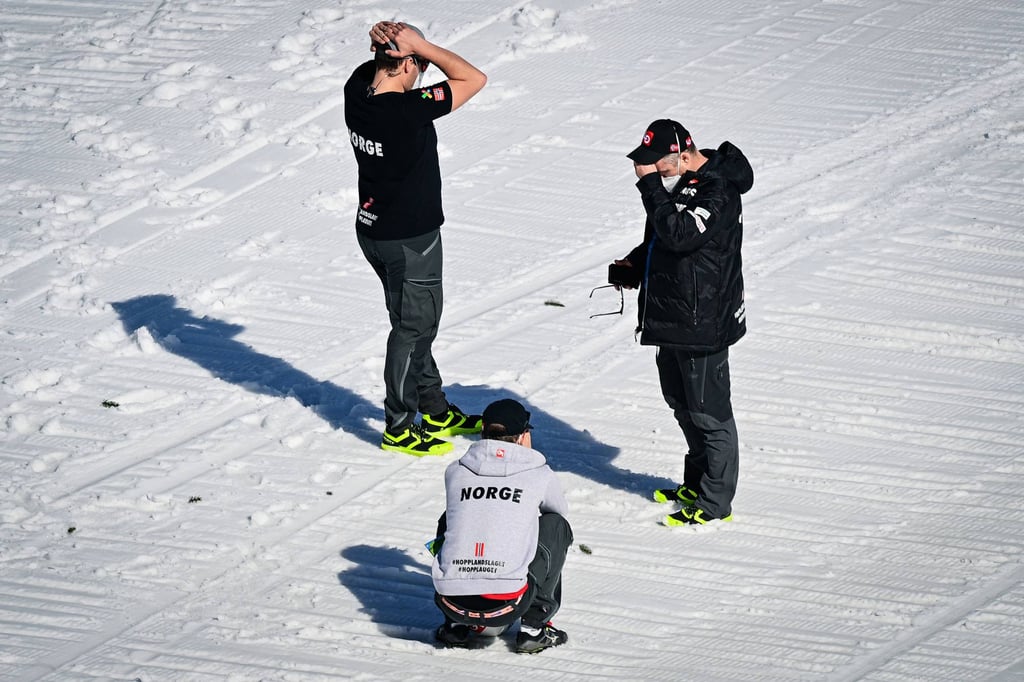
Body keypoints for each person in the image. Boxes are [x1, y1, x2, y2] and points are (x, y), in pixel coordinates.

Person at [343, 21, 488, 456]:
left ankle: (435, 409)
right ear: (406, 60)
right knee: (414, 328)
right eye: (420, 65)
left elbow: (378, 69)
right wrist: (422, 45)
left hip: (374, 230)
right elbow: (474, 79)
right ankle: (400, 425)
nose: (423, 73)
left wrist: (397, 49)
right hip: (410, 240)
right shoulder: (407, 110)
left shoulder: (357, 89)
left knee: (411, 324)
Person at [613, 119, 753, 526]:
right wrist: (635, 265)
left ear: (683, 154)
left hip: (704, 323)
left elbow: (681, 235)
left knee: (710, 414)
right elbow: (661, 238)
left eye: (655, 164)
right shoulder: (676, 186)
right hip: (673, 319)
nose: (648, 171)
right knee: (682, 405)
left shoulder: (719, 190)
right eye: (643, 164)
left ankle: (715, 502)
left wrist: (649, 188)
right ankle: (696, 485)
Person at [430, 399, 573, 654]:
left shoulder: (456, 470)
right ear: (523, 436)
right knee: (556, 527)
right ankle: (533, 628)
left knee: (452, 517)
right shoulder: (538, 472)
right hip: (507, 602)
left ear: (482, 430)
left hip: (449, 601)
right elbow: (559, 514)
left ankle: (455, 626)